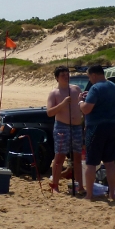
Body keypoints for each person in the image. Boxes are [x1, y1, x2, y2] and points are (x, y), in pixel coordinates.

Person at [78, 65, 115, 200]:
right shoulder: (113, 86)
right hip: (111, 125)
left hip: (96, 127)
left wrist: (80, 101)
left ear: (94, 75)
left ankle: (89, 194)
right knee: (110, 162)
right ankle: (112, 194)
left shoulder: (95, 88)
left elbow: (86, 109)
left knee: (91, 162)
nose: (89, 80)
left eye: (89, 77)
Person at [46, 66, 84, 194]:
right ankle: (55, 185)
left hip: (77, 127)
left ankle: (79, 186)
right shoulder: (54, 93)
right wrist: (63, 104)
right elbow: (50, 112)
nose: (66, 77)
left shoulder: (76, 89)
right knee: (59, 156)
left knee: (77, 156)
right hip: (62, 126)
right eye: (62, 75)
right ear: (57, 78)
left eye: (67, 74)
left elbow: (82, 106)